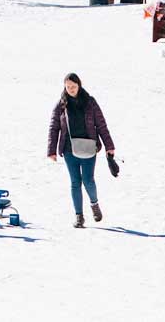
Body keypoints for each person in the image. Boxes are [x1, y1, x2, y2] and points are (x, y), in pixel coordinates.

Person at [47, 72, 115, 228]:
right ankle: (79, 216)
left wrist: (109, 146)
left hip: (89, 148)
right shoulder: (61, 105)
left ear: (79, 85)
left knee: (88, 180)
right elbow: (54, 127)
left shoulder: (90, 102)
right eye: (68, 87)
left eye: (73, 86)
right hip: (69, 150)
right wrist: (51, 150)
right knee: (75, 182)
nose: (71, 89)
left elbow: (101, 125)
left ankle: (94, 204)